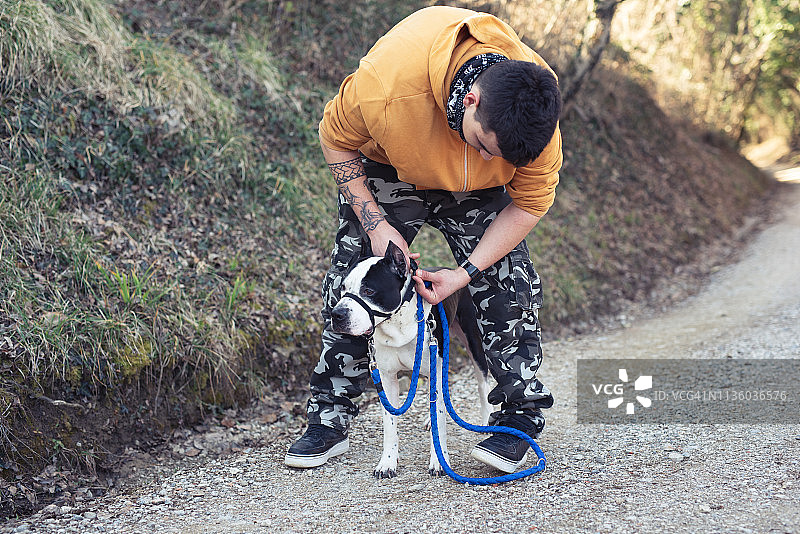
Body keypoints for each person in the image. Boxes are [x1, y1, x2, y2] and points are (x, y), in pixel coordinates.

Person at [284, 5, 562, 474]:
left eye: (497, 153)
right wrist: (373, 223)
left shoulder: (534, 116)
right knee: (351, 280)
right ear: (471, 99)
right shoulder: (388, 81)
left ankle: (518, 416)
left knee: (510, 282)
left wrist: (465, 273)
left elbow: (529, 203)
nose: (483, 152)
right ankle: (329, 417)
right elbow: (334, 138)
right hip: (391, 168)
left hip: (480, 190)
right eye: (483, 143)